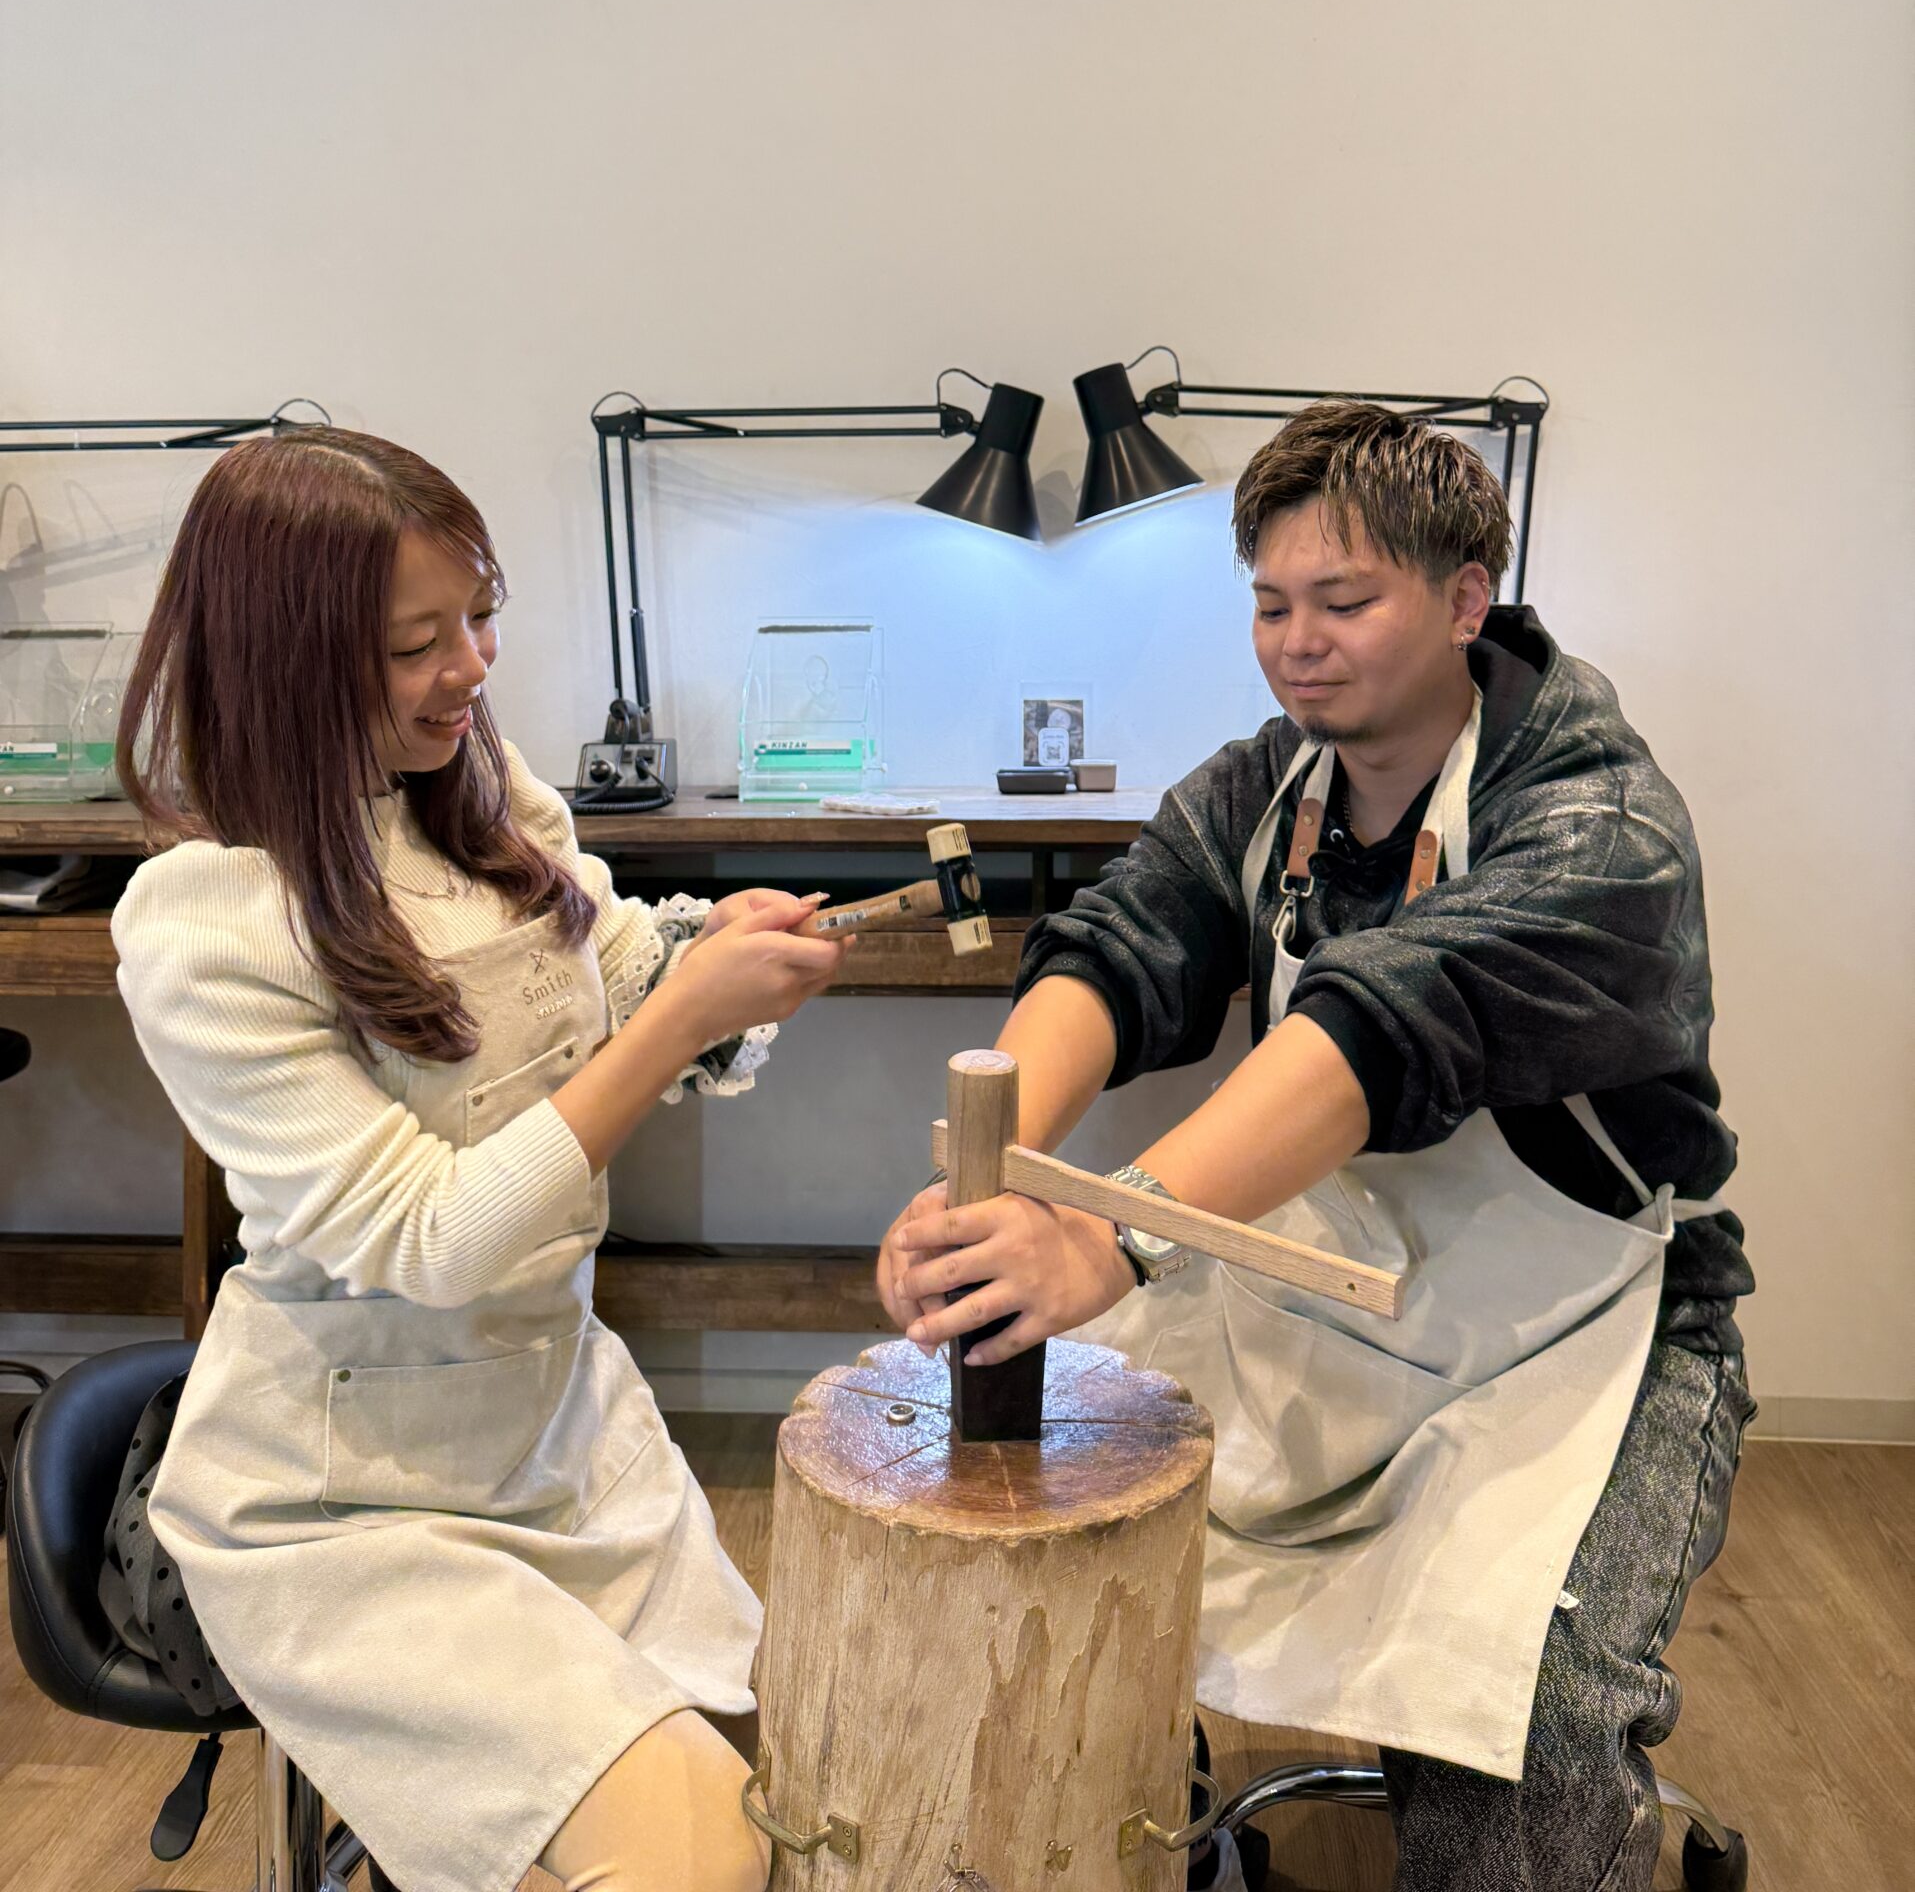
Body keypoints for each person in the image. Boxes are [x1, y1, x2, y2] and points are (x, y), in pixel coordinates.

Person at [880, 402, 1755, 1892]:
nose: (1297, 644)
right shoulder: (1262, 790)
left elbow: (1383, 1027)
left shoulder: (1602, 828)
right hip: (1320, 1286)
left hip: (1586, 1337)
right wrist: (989, 1170)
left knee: (1515, 1711)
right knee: (1037, 1541)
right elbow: (1121, 949)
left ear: (1465, 600)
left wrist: (1108, 1235)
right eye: (1272, 605)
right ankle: (1133, 1839)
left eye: (1343, 602)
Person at [113, 428, 849, 1892]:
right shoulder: (208, 927)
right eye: (414, 645)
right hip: (347, 1505)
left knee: (807, 1805)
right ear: (285, 660)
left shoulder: (480, 793)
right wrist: (676, 1023)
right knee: (694, 1858)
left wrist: (705, 969)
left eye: (479, 617)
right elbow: (432, 1242)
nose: (469, 669)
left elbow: (611, 970)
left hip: (555, 1432)